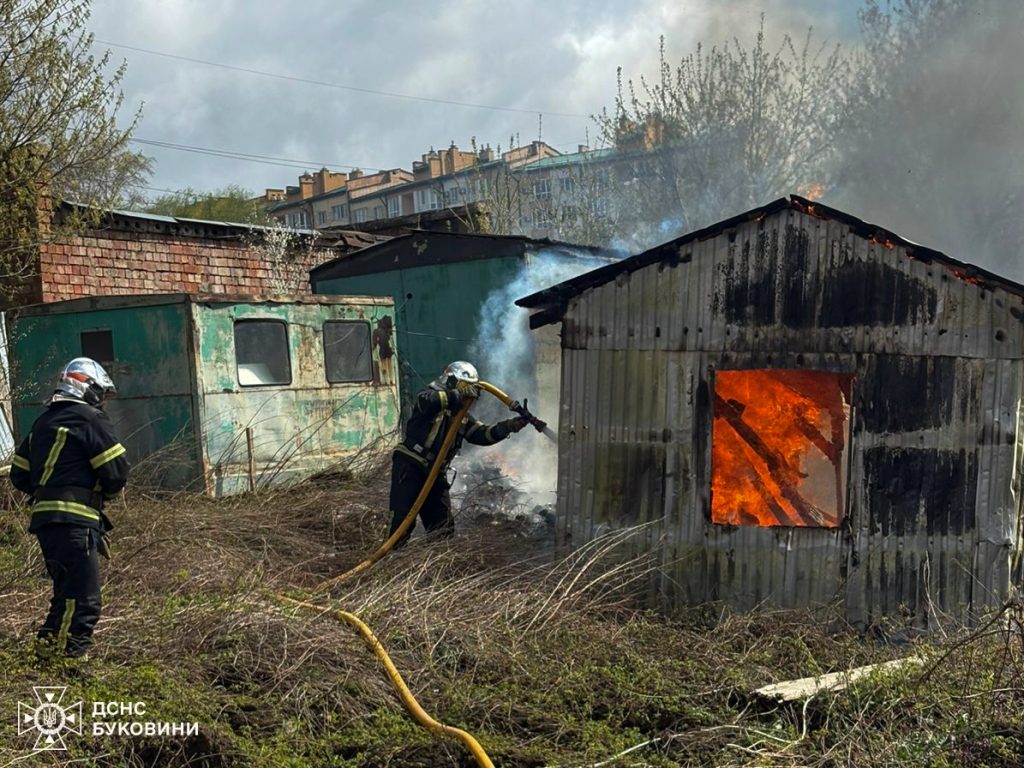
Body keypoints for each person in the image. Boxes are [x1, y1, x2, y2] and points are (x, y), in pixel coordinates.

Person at [10, 357, 130, 659]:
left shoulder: (42, 422)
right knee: (83, 601)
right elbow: (116, 471)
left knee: (66, 595)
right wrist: (98, 494)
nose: (102, 401)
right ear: (88, 388)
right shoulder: (90, 418)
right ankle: (67, 662)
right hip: (75, 521)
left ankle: (45, 656)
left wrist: (50, 489)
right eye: (101, 393)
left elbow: (19, 475)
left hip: (46, 522)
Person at [389, 361, 530, 546]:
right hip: (410, 466)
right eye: (466, 388)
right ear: (451, 381)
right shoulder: (429, 397)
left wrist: (509, 426)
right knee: (401, 522)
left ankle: (436, 561)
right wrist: (458, 394)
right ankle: (390, 556)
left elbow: (483, 435)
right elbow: (430, 402)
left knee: (442, 528)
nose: (469, 396)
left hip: (435, 474)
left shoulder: (460, 417)